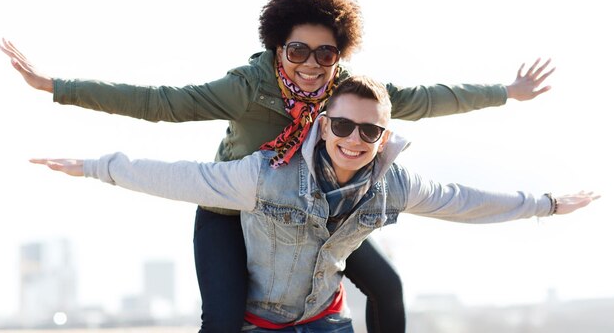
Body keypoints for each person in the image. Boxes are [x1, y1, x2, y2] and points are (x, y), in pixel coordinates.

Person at [1, 0, 555, 332]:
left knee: (387, 287)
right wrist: (55, 85)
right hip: (235, 206)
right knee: (222, 320)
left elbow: (427, 99)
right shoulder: (247, 87)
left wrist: (507, 92)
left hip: (312, 210)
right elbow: (160, 104)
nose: (312, 65)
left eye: (325, 53)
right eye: (297, 51)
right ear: (277, 50)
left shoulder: (349, 94)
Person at [31, 75, 597, 332]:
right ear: (323, 125)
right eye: (344, 126)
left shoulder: (391, 185)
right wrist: (95, 167)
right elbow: (180, 176)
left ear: (383, 136)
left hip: (325, 323)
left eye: (369, 132)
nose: (355, 139)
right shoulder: (264, 175)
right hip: (258, 324)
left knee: (387, 287)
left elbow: (464, 201)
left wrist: (546, 203)